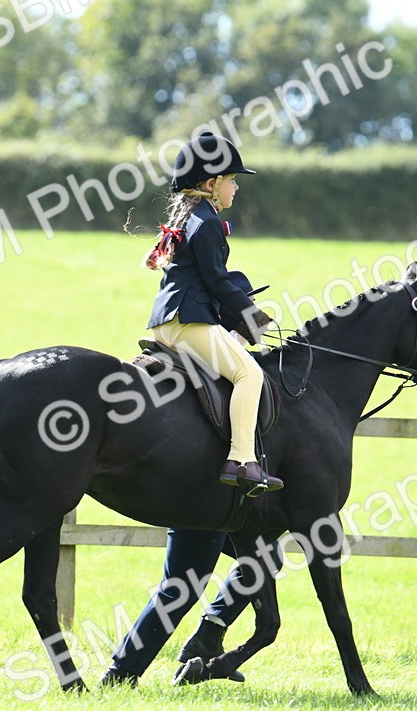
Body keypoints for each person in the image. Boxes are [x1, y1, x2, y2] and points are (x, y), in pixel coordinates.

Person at [144, 131, 283, 491]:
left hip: (167, 322)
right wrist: (254, 315)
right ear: (211, 184)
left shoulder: (190, 216)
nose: (236, 187)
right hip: (188, 321)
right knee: (249, 374)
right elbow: (217, 281)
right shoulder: (206, 223)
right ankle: (242, 460)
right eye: (232, 180)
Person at [100, 528, 285, 686]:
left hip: (221, 509)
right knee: (180, 588)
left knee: (266, 555)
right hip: (205, 507)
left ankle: (208, 637)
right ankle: (120, 673)